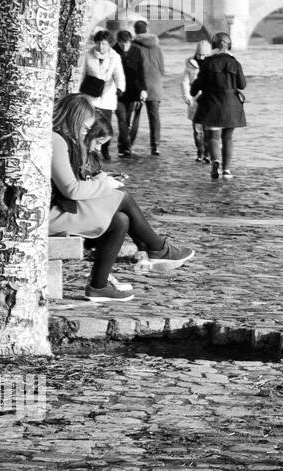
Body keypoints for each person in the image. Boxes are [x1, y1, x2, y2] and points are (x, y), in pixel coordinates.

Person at [51, 94, 195, 302]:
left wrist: (101, 180)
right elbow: (71, 190)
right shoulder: (56, 140)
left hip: (62, 209)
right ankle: (157, 248)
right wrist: (105, 185)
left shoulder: (64, 140)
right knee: (122, 197)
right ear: (73, 118)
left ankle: (98, 286)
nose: (84, 133)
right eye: (84, 127)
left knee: (121, 220)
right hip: (52, 215)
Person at [192, 32, 247, 180]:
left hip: (211, 103)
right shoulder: (235, 63)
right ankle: (227, 170)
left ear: (214, 46)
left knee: (213, 138)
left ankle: (215, 160)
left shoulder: (208, 62)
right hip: (231, 105)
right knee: (228, 137)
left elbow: (198, 84)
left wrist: (193, 91)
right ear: (229, 46)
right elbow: (242, 84)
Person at [81, 30, 126, 161]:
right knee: (90, 123)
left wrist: (120, 87)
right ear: (95, 43)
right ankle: (88, 149)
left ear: (109, 44)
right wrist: (77, 91)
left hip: (107, 95)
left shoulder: (115, 56)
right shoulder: (87, 55)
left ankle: (105, 150)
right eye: (99, 43)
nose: (101, 47)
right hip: (90, 94)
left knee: (105, 126)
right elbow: (82, 73)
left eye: (104, 44)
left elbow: (119, 74)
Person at [131, 20, 166, 156]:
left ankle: (128, 144)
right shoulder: (157, 47)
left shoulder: (133, 46)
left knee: (135, 116)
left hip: (138, 85)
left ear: (135, 30)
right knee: (154, 116)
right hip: (155, 85)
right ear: (147, 29)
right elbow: (162, 69)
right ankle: (155, 146)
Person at [113, 30, 144, 159]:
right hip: (117, 92)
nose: (124, 47)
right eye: (121, 44)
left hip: (133, 91)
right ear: (118, 42)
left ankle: (124, 146)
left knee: (129, 119)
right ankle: (126, 147)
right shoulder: (113, 51)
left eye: (126, 44)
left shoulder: (136, 51)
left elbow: (141, 71)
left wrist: (143, 89)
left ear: (130, 41)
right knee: (122, 118)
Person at [181, 39, 212, 162]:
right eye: (199, 54)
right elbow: (184, 82)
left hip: (209, 100)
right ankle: (200, 152)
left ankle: (207, 154)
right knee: (197, 129)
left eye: (204, 55)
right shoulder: (190, 65)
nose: (201, 57)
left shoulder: (212, 64)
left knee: (208, 128)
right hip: (194, 100)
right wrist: (186, 97)